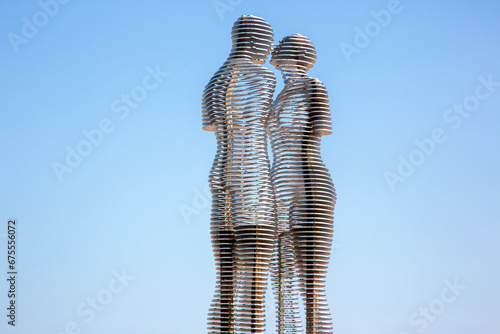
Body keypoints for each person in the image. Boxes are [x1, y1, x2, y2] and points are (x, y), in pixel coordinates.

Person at [202, 15, 276, 334]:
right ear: (254, 39)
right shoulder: (263, 75)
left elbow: (210, 125)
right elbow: (270, 126)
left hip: (220, 178)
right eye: (267, 40)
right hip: (252, 180)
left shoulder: (213, 82)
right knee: (254, 287)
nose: (271, 48)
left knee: (225, 284)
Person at [269, 34, 336, 334]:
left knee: (311, 283)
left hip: (309, 185)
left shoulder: (313, 87)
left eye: (280, 46)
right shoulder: (277, 96)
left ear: (295, 54)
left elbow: (316, 136)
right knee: (283, 278)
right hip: (279, 189)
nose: (272, 49)